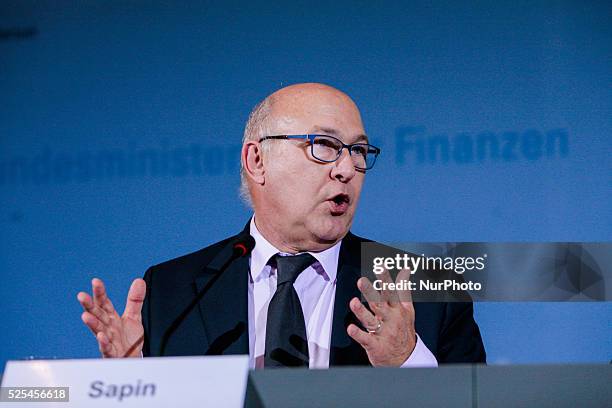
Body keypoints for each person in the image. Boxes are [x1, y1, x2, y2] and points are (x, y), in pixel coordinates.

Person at [77, 83, 486, 368]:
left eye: (359, 151)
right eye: (324, 146)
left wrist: (405, 364)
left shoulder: (426, 289)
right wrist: (131, 383)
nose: (347, 169)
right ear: (257, 161)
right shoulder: (172, 293)